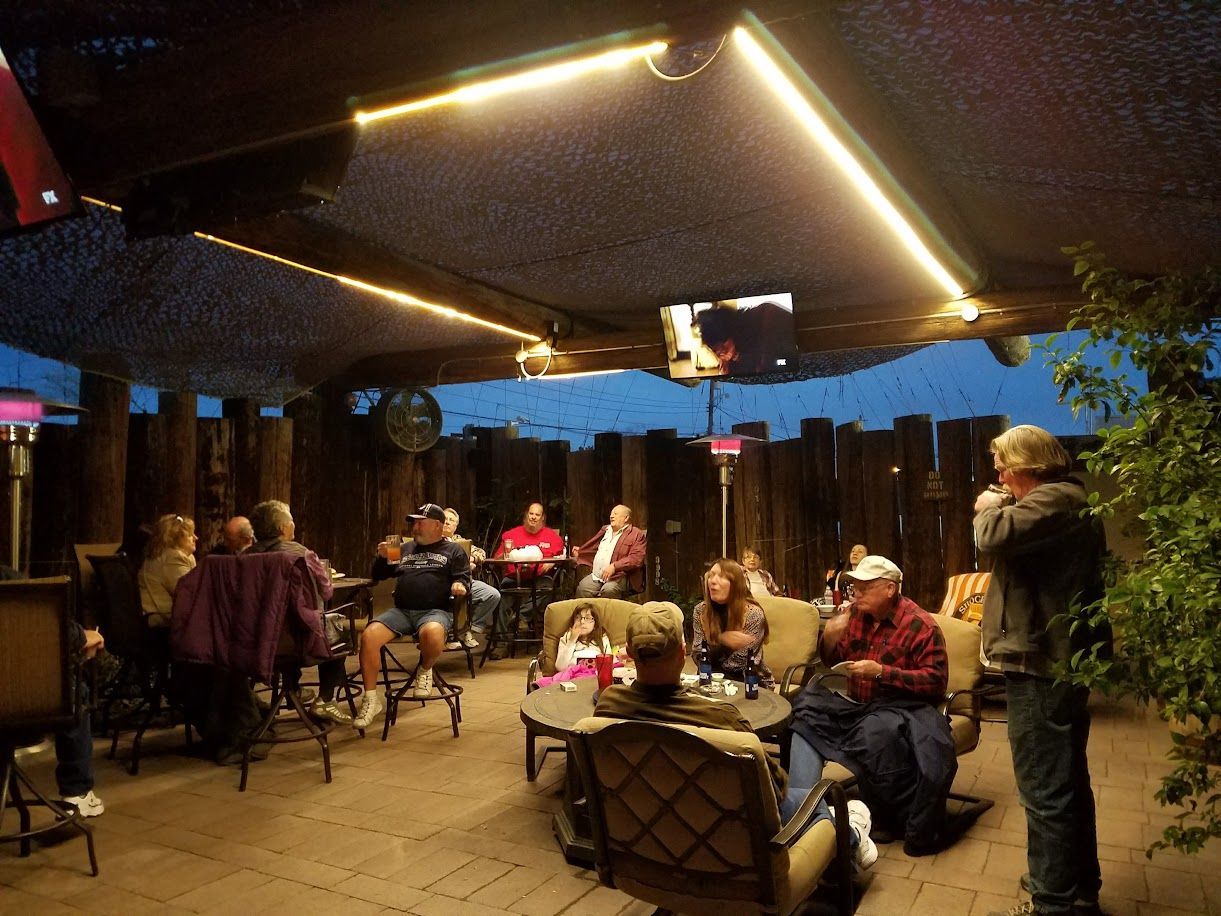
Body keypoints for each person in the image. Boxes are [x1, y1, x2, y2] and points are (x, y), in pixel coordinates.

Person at [594, 602, 876, 868]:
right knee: (815, 802)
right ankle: (851, 838)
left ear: (629, 653)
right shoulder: (721, 720)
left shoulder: (606, 709)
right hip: (723, 848)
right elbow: (774, 789)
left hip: (649, 844)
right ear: (682, 653)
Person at [975, 426, 1107, 916]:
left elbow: (990, 534)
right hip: (1055, 661)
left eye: (1003, 467)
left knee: (1043, 788)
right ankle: (1076, 886)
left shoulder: (1053, 501)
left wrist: (987, 505)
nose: (999, 476)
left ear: (1027, 466)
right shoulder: (1065, 501)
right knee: (1067, 779)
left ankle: (1052, 902)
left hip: (1041, 665)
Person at [787, 554, 956, 856]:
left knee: (875, 732)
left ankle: (887, 817)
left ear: (890, 589)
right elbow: (831, 662)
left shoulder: (920, 626)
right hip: (857, 704)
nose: (857, 594)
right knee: (804, 712)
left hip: (902, 707)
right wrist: (830, 636)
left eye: (865, 588)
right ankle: (802, 809)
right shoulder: (854, 617)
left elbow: (935, 682)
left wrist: (881, 672)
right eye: (854, 587)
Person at [0, 564, 105, 815]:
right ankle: (76, 791)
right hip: (20, 702)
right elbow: (49, 627)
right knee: (72, 692)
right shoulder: (8, 581)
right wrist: (82, 638)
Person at [354, 503, 470, 727]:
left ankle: (425, 669)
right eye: (413, 522)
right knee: (369, 636)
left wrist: (458, 584)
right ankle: (370, 699)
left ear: (437, 525)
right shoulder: (404, 548)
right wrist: (381, 557)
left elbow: (464, 577)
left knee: (433, 633)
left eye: (420, 522)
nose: (414, 527)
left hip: (435, 611)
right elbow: (379, 576)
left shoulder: (453, 550)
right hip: (402, 612)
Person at [246, 500, 350, 725]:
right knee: (338, 629)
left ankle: (293, 690)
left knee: (286, 621)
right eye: (291, 520)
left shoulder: (244, 557)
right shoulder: (300, 554)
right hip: (297, 641)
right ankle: (325, 699)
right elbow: (327, 591)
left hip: (255, 641)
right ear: (283, 528)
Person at [488, 501, 565, 660]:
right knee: (500, 598)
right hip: (513, 578)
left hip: (539, 578)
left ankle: (520, 617)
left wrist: (552, 562)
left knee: (547, 588)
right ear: (526, 515)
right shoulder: (511, 535)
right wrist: (507, 555)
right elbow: (497, 559)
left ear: (542, 518)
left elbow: (561, 556)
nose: (534, 517)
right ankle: (501, 645)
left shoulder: (552, 536)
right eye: (531, 514)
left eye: (537, 515)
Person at [691, 558, 774, 687]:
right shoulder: (700, 611)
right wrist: (721, 640)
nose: (712, 581)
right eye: (711, 575)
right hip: (711, 681)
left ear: (736, 584)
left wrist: (711, 656)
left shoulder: (753, 614)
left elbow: (741, 662)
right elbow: (697, 654)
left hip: (750, 682)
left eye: (722, 577)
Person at [441, 507, 500, 648]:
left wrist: (472, 558)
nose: (447, 522)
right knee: (455, 599)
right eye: (445, 519)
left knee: (492, 595)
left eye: (451, 520)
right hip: (443, 583)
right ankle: (451, 633)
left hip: (466, 581)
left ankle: (468, 628)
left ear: (455, 526)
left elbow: (481, 553)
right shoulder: (433, 541)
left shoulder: (459, 541)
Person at [571, 504, 647, 598]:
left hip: (619, 577)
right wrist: (581, 552)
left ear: (626, 518)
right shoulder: (605, 530)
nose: (611, 516)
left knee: (608, 590)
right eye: (611, 514)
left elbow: (636, 559)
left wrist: (615, 566)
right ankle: (586, 613)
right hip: (597, 576)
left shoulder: (636, 534)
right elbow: (594, 548)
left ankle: (606, 613)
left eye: (615, 514)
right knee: (582, 588)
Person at [137, 513, 198, 628]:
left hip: (161, 614)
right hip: (160, 617)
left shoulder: (169, 553)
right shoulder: (173, 557)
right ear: (175, 538)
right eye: (190, 535)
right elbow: (188, 595)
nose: (195, 538)